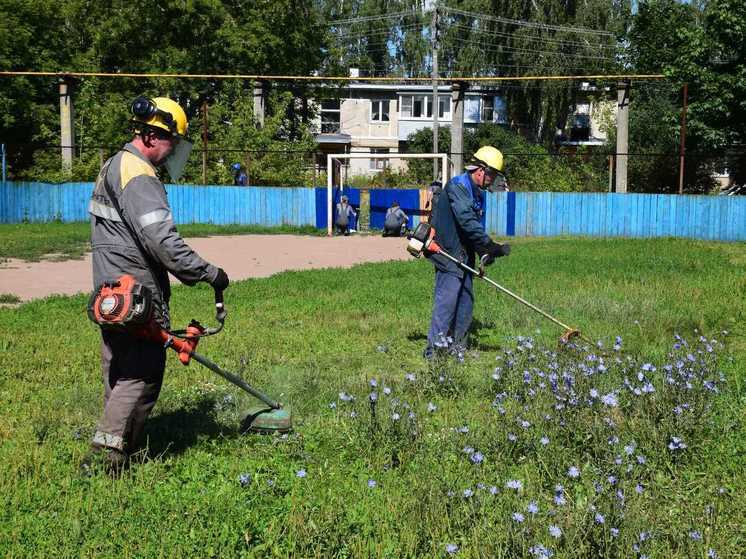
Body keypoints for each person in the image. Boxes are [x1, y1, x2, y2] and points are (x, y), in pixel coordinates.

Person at [84, 96, 230, 474]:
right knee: (142, 373)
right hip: (135, 292)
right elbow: (162, 242)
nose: (170, 154)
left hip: (110, 289)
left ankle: (117, 446)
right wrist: (208, 272)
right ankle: (104, 461)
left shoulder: (114, 165)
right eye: (172, 144)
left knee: (119, 371)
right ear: (152, 135)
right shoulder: (139, 175)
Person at [424, 146, 511, 359]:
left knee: (465, 302)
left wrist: (484, 252)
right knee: (447, 302)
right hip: (447, 252)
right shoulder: (458, 186)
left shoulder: (478, 194)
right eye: (492, 174)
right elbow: (465, 220)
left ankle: (457, 349)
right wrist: (488, 244)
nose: (493, 179)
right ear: (480, 170)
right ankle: (433, 352)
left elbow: (472, 227)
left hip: (464, 255)